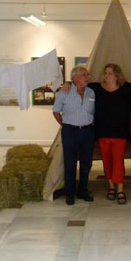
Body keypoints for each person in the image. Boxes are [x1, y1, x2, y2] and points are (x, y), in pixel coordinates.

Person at [61, 64, 131, 205]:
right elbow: (78, 83)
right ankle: (111, 187)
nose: (106, 75)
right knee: (107, 162)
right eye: (105, 73)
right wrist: (67, 83)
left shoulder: (127, 89)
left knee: (118, 162)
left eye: (110, 73)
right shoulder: (95, 89)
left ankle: (120, 189)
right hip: (102, 133)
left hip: (120, 134)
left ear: (117, 75)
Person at [53, 66, 95, 205]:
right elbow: (56, 111)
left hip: (87, 132)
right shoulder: (64, 92)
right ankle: (70, 193)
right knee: (70, 163)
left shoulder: (91, 92)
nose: (87, 77)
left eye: (87, 74)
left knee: (86, 163)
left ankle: (82, 191)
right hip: (70, 131)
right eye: (84, 75)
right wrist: (65, 125)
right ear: (75, 77)